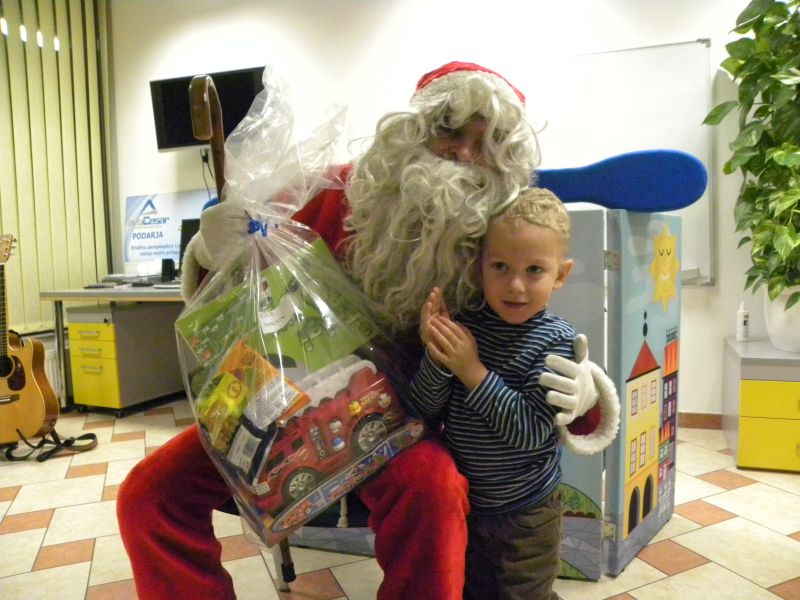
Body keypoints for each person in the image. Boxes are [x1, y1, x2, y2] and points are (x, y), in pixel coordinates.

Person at [117, 61, 619, 600]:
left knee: (435, 492)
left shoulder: (498, 233)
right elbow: (234, 297)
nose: (463, 153)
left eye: (486, 142)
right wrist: (210, 252)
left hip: (410, 426)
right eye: (449, 130)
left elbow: (533, 334)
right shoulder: (335, 193)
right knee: (150, 493)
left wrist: (587, 394)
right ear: (411, 132)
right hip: (290, 413)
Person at [411, 187, 580, 600]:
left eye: (534, 270)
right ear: (479, 267)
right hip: (470, 506)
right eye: (500, 266)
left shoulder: (557, 341)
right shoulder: (467, 325)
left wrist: (472, 370)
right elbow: (423, 409)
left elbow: (530, 434)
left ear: (560, 275)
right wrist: (438, 353)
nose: (515, 285)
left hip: (529, 512)